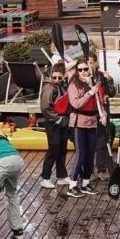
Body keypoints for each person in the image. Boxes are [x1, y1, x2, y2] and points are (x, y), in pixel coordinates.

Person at [65, 59, 105, 197]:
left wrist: (103, 115)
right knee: (81, 154)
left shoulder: (93, 83)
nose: (83, 72)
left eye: (85, 69)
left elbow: (100, 102)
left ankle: (86, 183)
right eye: (80, 69)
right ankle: (72, 185)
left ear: (89, 69)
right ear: (77, 70)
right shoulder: (73, 85)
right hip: (78, 123)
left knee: (90, 154)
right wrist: (90, 93)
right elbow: (76, 104)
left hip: (92, 122)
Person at [38, 62, 70, 190]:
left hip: (62, 121)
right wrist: (58, 119)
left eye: (59, 78)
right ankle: (45, 177)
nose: (56, 80)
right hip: (52, 122)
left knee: (63, 148)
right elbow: (45, 108)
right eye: (54, 77)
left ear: (63, 76)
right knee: (53, 149)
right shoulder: (48, 88)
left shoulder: (63, 86)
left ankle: (61, 175)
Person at [88, 54, 116, 179]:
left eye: (92, 63)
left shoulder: (101, 76)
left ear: (96, 63)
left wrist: (109, 80)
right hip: (90, 113)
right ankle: (88, 170)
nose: (90, 66)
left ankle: (101, 169)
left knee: (103, 141)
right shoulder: (83, 77)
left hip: (103, 111)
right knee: (89, 143)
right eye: (87, 63)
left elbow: (112, 92)